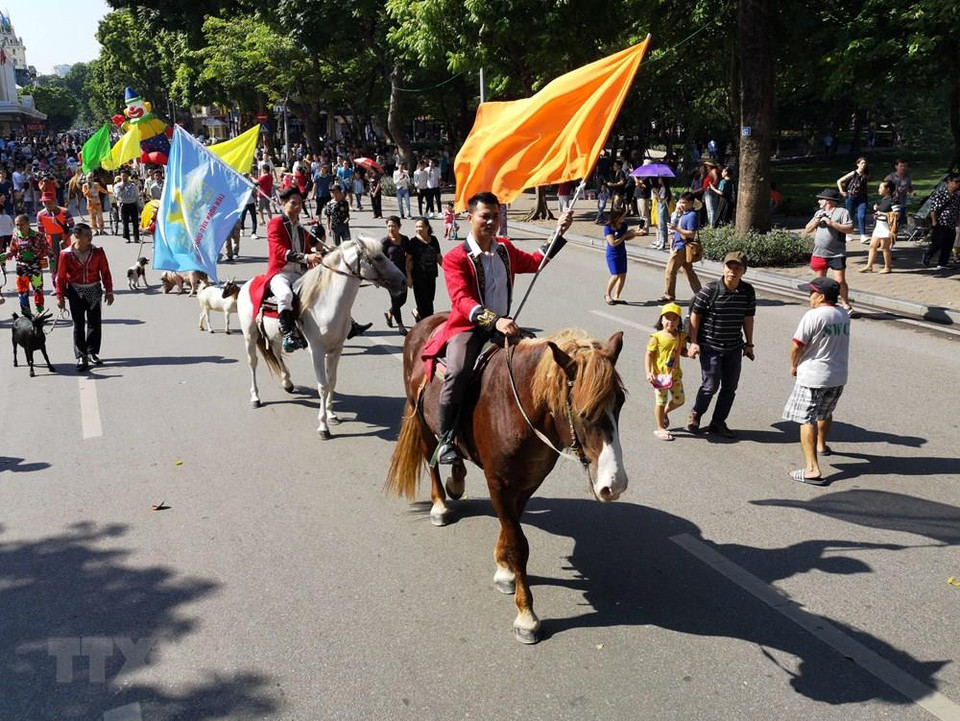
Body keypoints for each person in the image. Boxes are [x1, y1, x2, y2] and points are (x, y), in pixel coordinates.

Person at [422, 192, 573, 464]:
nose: (491, 221)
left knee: (542, 362)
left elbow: (534, 261)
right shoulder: (456, 257)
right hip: (469, 328)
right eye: (485, 216)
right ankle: (445, 439)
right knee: (456, 373)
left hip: (503, 327)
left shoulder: (504, 248)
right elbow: (462, 300)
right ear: (470, 218)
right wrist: (494, 320)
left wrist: (558, 232)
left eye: (496, 216)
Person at [783, 276, 851, 485]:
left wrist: (793, 365)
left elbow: (797, 345)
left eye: (811, 292)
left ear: (821, 296)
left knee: (807, 418)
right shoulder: (843, 315)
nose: (809, 296)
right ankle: (821, 445)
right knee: (826, 411)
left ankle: (812, 469)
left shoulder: (813, 316)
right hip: (838, 375)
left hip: (814, 375)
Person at [686, 250, 756, 439]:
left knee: (729, 388)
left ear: (744, 271)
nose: (732, 271)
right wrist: (693, 342)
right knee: (710, 385)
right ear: (723, 268)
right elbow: (695, 316)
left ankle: (718, 422)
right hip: (710, 346)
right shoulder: (710, 290)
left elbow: (748, 318)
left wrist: (749, 344)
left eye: (738, 268)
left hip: (734, 347)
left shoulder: (747, 291)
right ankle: (696, 414)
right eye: (729, 266)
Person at [266, 187, 323, 352]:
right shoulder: (275, 223)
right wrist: (306, 257)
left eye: (300, 203)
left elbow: (307, 249)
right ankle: (288, 333)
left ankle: (347, 324)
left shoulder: (300, 228)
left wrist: (318, 252)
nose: (298, 207)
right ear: (283, 203)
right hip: (281, 272)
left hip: (300, 273)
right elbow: (278, 250)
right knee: (285, 295)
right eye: (293, 203)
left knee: (326, 288)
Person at [56, 223, 114, 370]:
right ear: (77, 236)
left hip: (94, 289)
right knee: (78, 324)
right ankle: (81, 356)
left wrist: (109, 291)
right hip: (75, 291)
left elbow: (105, 272)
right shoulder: (66, 254)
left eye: (90, 234)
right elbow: (61, 277)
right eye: (86, 235)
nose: (90, 237)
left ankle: (92, 352)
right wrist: (60, 296)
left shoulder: (98, 252)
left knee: (94, 323)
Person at [804, 188, 855, 313]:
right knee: (820, 281)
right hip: (819, 253)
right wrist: (816, 222)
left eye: (821, 199)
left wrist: (831, 223)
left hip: (836, 253)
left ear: (828, 201)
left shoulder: (842, 212)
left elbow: (850, 228)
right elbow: (807, 229)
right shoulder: (818, 213)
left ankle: (845, 304)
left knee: (840, 280)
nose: (819, 202)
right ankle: (821, 303)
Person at [645, 302, 688, 441]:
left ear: (679, 321)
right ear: (661, 319)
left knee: (679, 400)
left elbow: (682, 352)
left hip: (675, 376)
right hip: (659, 377)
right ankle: (660, 428)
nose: (671, 321)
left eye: (674, 318)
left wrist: (690, 353)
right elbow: (648, 355)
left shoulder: (681, 336)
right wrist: (649, 372)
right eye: (667, 318)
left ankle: (663, 413)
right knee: (660, 401)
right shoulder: (656, 337)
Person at [659, 191, 702, 303]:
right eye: (680, 202)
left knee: (670, 271)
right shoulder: (685, 213)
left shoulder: (692, 215)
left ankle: (669, 295)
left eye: (684, 203)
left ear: (691, 203)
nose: (681, 204)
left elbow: (691, 233)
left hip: (682, 247)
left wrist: (676, 229)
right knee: (689, 272)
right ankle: (700, 294)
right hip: (681, 246)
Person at [2, 215, 47, 315]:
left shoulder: (38, 236)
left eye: (21, 224)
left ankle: (39, 310)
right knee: (22, 292)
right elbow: (13, 250)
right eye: (17, 225)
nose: (19, 227)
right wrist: (6, 255)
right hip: (21, 268)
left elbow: (47, 249)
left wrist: (52, 260)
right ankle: (26, 313)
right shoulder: (16, 236)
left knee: (38, 289)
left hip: (35, 268)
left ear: (28, 224)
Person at [406, 216, 443, 322]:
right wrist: (409, 277)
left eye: (420, 226)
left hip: (431, 275)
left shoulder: (434, 239)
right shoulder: (413, 242)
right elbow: (408, 261)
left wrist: (448, 269)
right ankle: (425, 324)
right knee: (423, 302)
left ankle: (418, 312)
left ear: (427, 227)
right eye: (416, 227)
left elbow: (438, 257)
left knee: (430, 300)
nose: (418, 229)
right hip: (418, 276)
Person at [859, 181, 900, 274]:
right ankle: (869, 266)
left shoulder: (893, 200)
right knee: (872, 246)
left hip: (886, 227)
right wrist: (877, 209)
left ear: (888, 189)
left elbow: (897, 214)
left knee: (885, 248)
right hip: (879, 226)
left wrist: (882, 213)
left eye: (881, 188)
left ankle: (887, 267)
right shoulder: (884, 199)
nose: (879, 190)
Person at [37, 191, 75, 284]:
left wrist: (65, 239)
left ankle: (68, 282)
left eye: (49, 202)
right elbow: (40, 232)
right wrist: (42, 246)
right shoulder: (40, 215)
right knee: (53, 262)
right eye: (44, 202)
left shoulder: (65, 212)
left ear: (55, 201)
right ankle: (55, 283)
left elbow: (72, 227)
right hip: (50, 240)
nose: (47, 204)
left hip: (64, 238)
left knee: (67, 260)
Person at [923, 172, 960, 269]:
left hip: (951, 223)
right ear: (949, 182)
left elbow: (957, 209)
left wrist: (957, 221)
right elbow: (933, 210)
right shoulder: (941, 194)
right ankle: (928, 254)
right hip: (941, 222)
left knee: (948, 244)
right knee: (938, 242)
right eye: (956, 181)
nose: (958, 183)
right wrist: (935, 223)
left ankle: (943, 263)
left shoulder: (956, 195)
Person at [602, 206, 638, 305]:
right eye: (622, 216)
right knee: (615, 275)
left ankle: (616, 296)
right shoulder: (608, 227)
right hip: (613, 254)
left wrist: (634, 234)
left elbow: (626, 239)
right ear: (616, 216)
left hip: (622, 252)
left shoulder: (623, 225)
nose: (623, 218)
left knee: (622, 275)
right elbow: (612, 243)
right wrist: (624, 236)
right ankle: (607, 294)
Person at [381, 216, 410, 335]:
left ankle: (390, 313)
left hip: (403, 274)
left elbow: (409, 256)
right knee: (395, 300)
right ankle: (400, 325)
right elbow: (380, 260)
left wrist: (409, 273)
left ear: (399, 227)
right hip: (390, 276)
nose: (391, 228)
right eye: (389, 226)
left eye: (393, 226)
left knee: (403, 300)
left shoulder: (405, 239)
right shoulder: (385, 242)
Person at [836, 157, 870, 244]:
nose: (863, 165)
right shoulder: (853, 173)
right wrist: (842, 192)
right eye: (862, 163)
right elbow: (839, 181)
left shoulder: (866, 174)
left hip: (862, 198)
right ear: (857, 164)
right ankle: (846, 234)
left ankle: (862, 235)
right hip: (851, 197)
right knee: (850, 215)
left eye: (865, 163)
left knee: (861, 215)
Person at [883, 158, 913, 233]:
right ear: (896, 166)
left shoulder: (907, 177)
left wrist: (912, 192)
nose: (903, 168)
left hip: (902, 201)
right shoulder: (890, 177)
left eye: (905, 166)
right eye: (901, 166)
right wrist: (894, 191)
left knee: (901, 218)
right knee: (892, 218)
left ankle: (898, 232)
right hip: (891, 202)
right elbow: (884, 189)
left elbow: (909, 188)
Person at [113, 169, 140, 243]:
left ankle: (136, 238)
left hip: (132, 204)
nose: (124, 177)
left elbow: (136, 195)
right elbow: (117, 195)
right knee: (125, 222)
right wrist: (122, 187)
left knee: (135, 222)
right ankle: (127, 237)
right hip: (124, 204)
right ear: (121, 176)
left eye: (125, 176)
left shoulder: (132, 185)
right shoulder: (117, 186)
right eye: (123, 176)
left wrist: (138, 204)